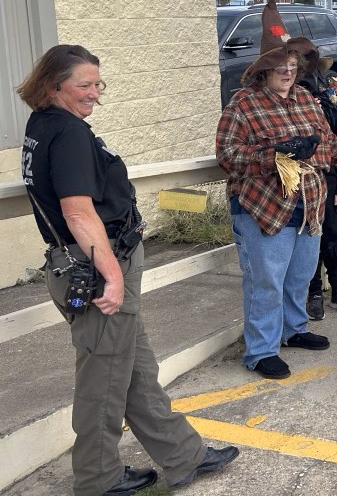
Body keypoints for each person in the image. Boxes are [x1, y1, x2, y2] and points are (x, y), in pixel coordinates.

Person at [17, 44, 238, 495]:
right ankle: (98, 479)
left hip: (87, 264)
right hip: (98, 269)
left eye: (99, 84)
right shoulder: (67, 133)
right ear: (51, 86)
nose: (96, 93)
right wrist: (113, 277)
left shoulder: (44, 124)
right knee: (103, 381)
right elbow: (78, 213)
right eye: (85, 85)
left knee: (135, 368)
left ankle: (184, 456)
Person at [216, 0, 337, 380]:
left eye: (292, 65)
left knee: (299, 275)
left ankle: (293, 330)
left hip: (309, 204)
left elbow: (329, 144)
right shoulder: (243, 105)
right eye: (279, 66)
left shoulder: (306, 98)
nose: (287, 72)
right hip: (263, 206)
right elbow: (227, 155)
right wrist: (274, 157)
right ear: (263, 71)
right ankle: (262, 350)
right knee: (266, 281)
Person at [295, 46, 337, 319]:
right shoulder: (285, 100)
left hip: (329, 178)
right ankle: (313, 293)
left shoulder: (326, 97)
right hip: (296, 181)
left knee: (333, 237)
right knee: (308, 237)